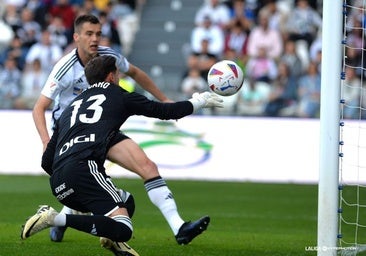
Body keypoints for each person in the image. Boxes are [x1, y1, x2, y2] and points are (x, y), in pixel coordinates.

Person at [32, 14, 212, 247]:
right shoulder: (64, 68)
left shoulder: (110, 57)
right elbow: (39, 107)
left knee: (147, 166)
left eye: (98, 33)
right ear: (76, 37)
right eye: (89, 34)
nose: (95, 39)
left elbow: (136, 73)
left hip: (103, 129)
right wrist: (47, 141)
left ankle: (179, 227)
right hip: (71, 133)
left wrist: (164, 99)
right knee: (87, 177)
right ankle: (67, 216)